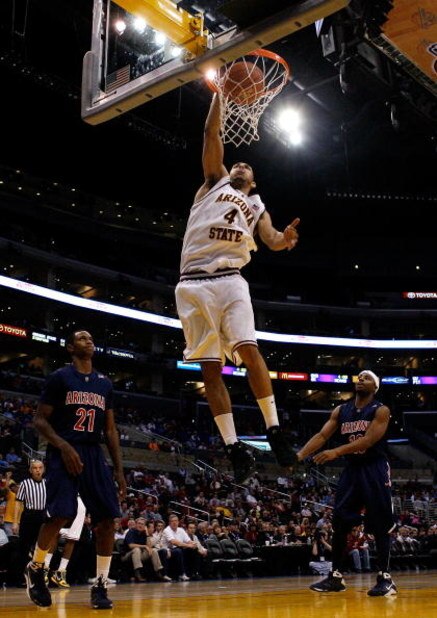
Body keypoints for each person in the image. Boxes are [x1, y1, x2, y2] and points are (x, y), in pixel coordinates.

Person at [175, 92, 300, 483]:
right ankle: (233, 447)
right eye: (238, 163)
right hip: (193, 282)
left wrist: (286, 239)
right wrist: (220, 94)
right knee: (211, 370)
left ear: (254, 180)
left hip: (231, 279)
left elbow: (272, 239)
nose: (241, 166)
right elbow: (211, 131)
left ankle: (274, 429)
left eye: (247, 166)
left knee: (249, 349)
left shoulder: (258, 204)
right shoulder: (214, 182)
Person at [24, 330, 126, 609]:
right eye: (81, 338)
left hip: (93, 454)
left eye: (92, 338)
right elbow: (40, 421)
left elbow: (110, 429)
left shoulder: (105, 384)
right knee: (60, 515)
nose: (89, 341)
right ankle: (36, 568)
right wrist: (63, 446)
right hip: (62, 451)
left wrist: (118, 469)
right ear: (70, 348)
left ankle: (101, 585)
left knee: (107, 521)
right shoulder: (60, 377)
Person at [296, 370, 397, 597]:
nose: (361, 379)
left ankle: (385, 578)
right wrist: (299, 456)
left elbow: (369, 440)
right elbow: (322, 436)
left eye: (367, 378)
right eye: (359, 377)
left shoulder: (381, 410)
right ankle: (336, 577)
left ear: (376, 387)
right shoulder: (342, 410)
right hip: (352, 470)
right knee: (340, 522)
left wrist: (336, 451)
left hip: (375, 468)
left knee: (380, 523)